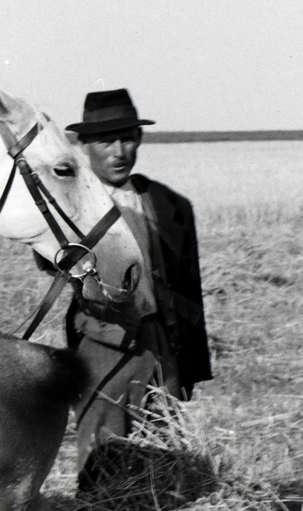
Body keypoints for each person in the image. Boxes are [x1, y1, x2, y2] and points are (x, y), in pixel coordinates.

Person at [57, 88, 212, 483]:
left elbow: (190, 290)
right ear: (84, 145)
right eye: (106, 140)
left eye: (128, 138)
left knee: (168, 458)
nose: (119, 150)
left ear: (140, 139)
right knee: (102, 460)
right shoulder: (66, 205)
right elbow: (51, 261)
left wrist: (192, 365)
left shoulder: (171, 204)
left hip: (166, 347)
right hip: (106, 348)